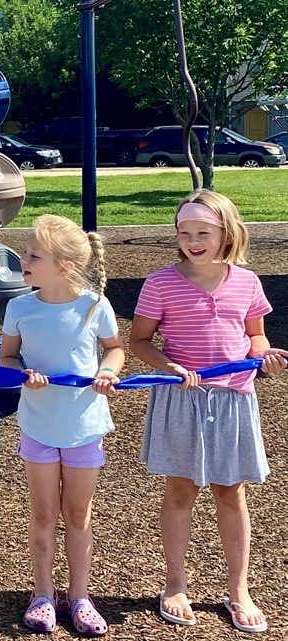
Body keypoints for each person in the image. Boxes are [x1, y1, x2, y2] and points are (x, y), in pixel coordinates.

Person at [130, 190, 285, 634]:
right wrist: (169, 366)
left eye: (203, 232)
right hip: (182, 398)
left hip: (234, 398)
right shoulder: (160, 283)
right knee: (180, 492)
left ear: (226, 233)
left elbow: (255, 336)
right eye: (184, 232)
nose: (193, 240)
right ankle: (174, 584)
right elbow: (140, 341)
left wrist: (264, 354)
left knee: (230, 492)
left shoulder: (247, 281)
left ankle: (239, 590)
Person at [0, 215, 124, 636]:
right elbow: (7, 357)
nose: (24, 259)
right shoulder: (19, 307)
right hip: (38, 426)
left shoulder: (93, 305)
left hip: (85, 427)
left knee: (78, 514)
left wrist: (107, 371)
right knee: (44, 513)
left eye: (34, 254)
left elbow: (115, 349)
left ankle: (81, 596)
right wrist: (22, 373)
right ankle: (43, 595)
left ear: (65, 267)